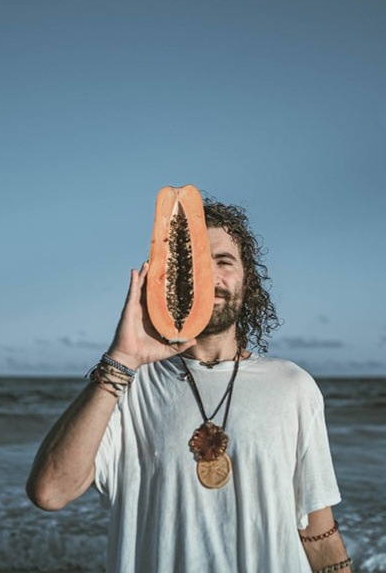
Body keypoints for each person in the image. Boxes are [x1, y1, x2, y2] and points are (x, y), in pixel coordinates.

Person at [27, 199, 351, 573]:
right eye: (194, 264)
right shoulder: (126, 385)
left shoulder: (293, 385)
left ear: (248, 278)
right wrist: (122, 359)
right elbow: (50, 492)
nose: (210, 277)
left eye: (224, 261)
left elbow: (317, 531)